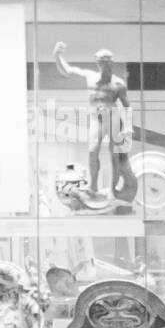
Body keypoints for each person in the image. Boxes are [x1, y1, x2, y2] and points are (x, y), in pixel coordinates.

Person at [52, 42, 137, 205]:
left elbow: (126, 105)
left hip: (112, 117)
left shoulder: (118, 83)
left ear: (111, 63)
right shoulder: (90, 76)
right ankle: (93, 186)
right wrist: (58, 56)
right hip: (95, 118)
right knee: (92, 151)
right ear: (97, 63)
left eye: (107, 62)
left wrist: (127, 126)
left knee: (115, 155)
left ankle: (112, 189)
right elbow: (68, 71)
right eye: (101, 62)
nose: (104, 65)